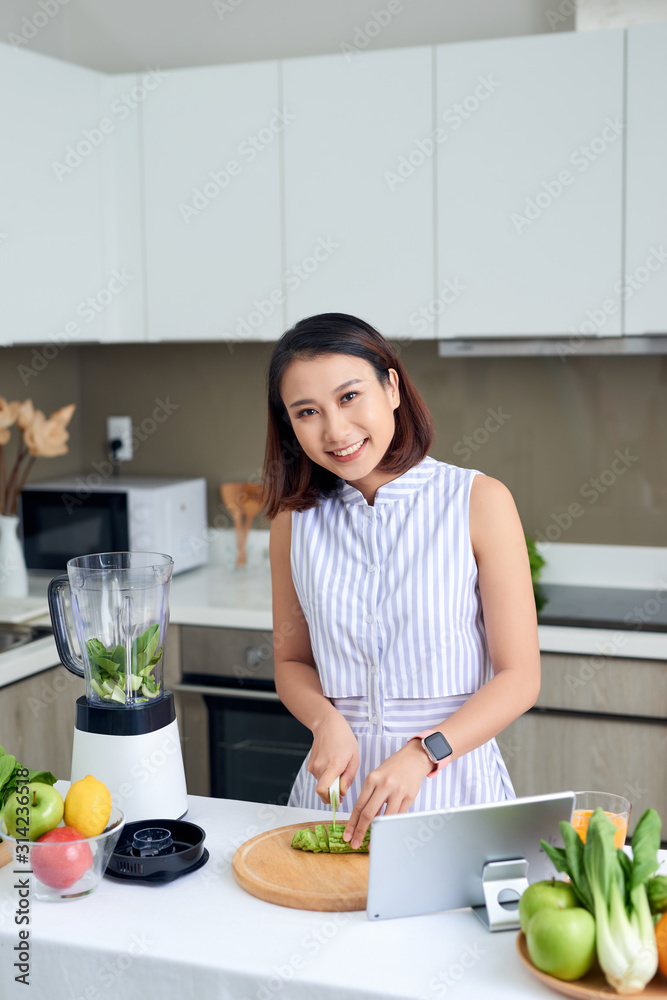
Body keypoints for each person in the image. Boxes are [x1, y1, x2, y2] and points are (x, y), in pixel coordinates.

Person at [262, 313, 540, 849]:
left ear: (391, 387)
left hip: (455, 791)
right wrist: (325, 721)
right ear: (289, 424)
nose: (335, 431)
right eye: (308, 412)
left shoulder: (478, 501)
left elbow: (519, 678)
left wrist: (424, 753)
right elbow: (292, 660)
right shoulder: (291, 523)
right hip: (334, 800)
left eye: (349, 397)